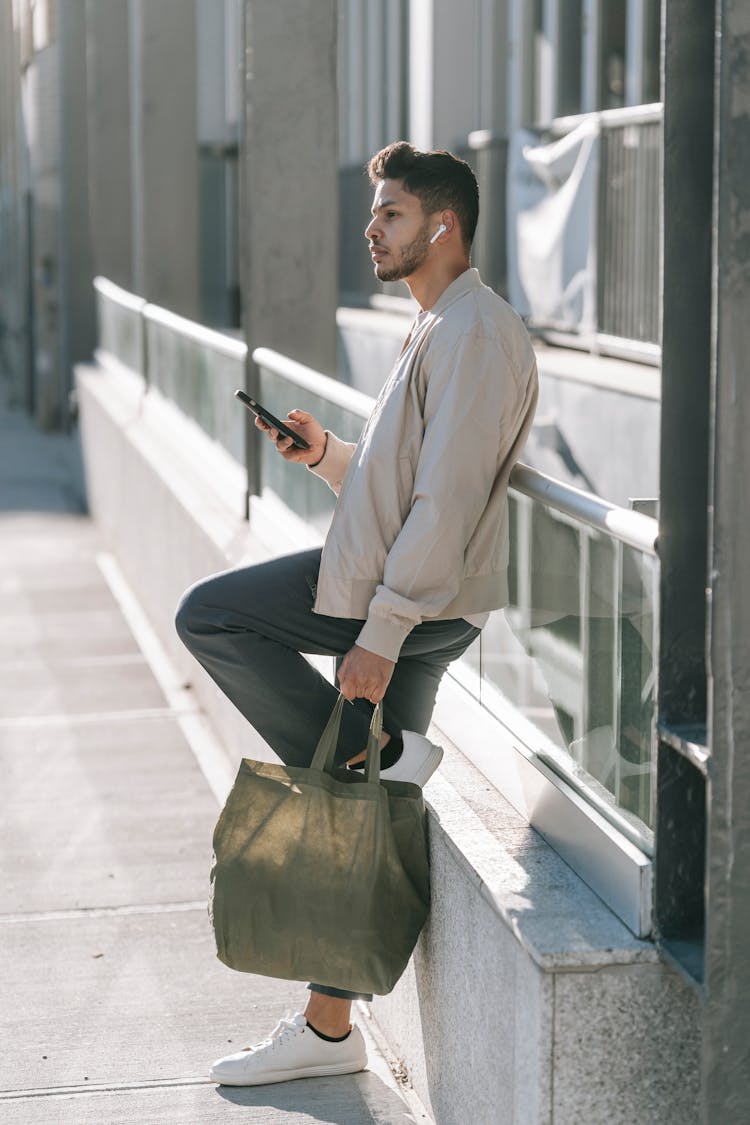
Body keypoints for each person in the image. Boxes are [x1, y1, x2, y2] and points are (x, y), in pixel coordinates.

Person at [175, 140, 538, 1087]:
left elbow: (448, 502)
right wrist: (327, 453)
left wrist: (379, 634)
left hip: (402, 603)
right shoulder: (436, 323)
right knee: (356, 806)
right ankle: (330, 1029)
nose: (370, 227)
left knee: (211, 617)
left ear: (442, 223)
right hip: (412, 594)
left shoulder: (474, 332)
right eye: (375, 213)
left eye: (390, 214)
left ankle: (371, 752)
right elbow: (399, 482)